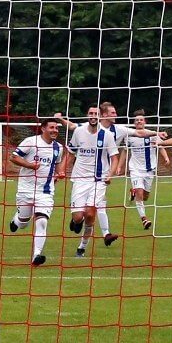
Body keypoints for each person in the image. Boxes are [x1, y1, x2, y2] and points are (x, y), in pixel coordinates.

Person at [55, 102, 165, 242]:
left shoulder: (117, 130)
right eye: (113, 113)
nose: (116, 115)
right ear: (104, 115)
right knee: (89, 211)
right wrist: (60, 119)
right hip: (82, 174)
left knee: (96, 208)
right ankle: (87, 225)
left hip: (103, 174)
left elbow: (139, 132)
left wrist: (157, 132)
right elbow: (71, 127)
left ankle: (102, 234)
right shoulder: (84, 128)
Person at [8, 118, 67, 265]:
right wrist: (30, 165)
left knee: (41, 222)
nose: (55, 130)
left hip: (45, 192)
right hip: (25, 189)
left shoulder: (58, 147)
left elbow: (57, 165)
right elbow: (13, 157)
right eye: (52, 128)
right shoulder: (30, 142)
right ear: (43, 128)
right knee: (23, 223)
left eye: (57, 128)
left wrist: (60, 173)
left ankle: (36, 255)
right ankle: (16, 219)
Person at [65, 106, 120, 257]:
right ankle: (76, 221)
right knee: (78, 217)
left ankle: (82, 247)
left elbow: (114, 158)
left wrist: (110, 174)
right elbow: (70, 153)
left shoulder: (107, 135)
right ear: (87, 115)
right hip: (80, 179)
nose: (93, 116)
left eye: (96, 114)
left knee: (90, 214)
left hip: (99, 180)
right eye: (90, 113)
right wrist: (62, 170)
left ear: (100, 116)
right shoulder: (78, 132)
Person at [122, 109, 170, 229]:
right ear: (134, 123)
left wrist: (166, 158)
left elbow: (160, 147)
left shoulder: (152, 134)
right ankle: (144, 219)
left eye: (141, 120)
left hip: (149, 170)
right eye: (137, 120)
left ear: (144, 122)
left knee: (145, 197)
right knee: (140, 193)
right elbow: (124, 151)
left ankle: (133, 192)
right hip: (135, 169)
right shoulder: (129, 136)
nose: (139, 121)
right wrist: (119, 166)